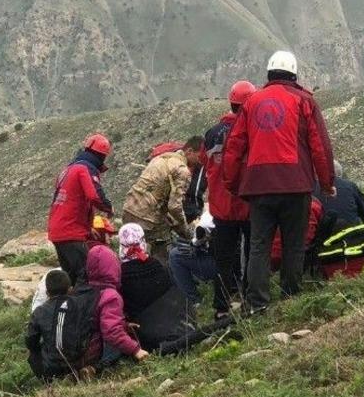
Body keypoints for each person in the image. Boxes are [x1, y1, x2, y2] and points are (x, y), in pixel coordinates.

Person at [223, 51, 335, 314]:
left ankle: (257, 303)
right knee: (293, 243)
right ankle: (290, 296)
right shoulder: (304, 100)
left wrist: (234, 183)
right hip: (296, 185)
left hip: (259, 187)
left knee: (259, 245)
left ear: (269, 74)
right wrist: (327, 181)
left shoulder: (251, 103)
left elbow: (234, 147)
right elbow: (319, 146)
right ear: (294, 74)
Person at [118, 224, 236, 355]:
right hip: (182, 325)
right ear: (143, 241)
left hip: (151, 337)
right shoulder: (157, 265)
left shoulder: (120, 276)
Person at [201, 80, 257, 316]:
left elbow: (205, 163)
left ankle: (221, 306)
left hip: (221, 207)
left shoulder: (212, 133)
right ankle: (249, 299)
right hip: (246, 204)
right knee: (252, 252)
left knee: (222, 258)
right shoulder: (251, 131)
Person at [121, 137, 202, 263]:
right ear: (189, 151)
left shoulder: (161, 158)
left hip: (129, 209)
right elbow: (174, 206)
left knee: (130, 253)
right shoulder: (182, 170)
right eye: (199, 157)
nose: (201, 161)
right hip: (148, 218)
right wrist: (186, 231)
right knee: (161, 251)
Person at [47, 134, 113, 284]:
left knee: (71, 277)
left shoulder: (68, 169)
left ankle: (67, 304)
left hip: (57, 230)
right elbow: (94, 196)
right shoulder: (85, 169)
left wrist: (88, 228)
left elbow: (73, 201)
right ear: (102, 156)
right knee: (87, 276)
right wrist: (109, 207)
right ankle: (85, 306)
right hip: (71, 232)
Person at [84, 245, 149, 369]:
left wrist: (125, 325)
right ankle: (100, 366)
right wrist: (136, 350)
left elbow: (96, 319)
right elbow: (111, 331)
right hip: (95, 350)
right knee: (116, 338)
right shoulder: (111, 295)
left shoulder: (84, 289)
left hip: (81, 347)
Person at [24, 269, 73, 381]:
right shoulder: (79, 305)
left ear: (47, 293)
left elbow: (31, 342)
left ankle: (47, 381)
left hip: (52, 367)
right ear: (70, 290)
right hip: (79, 360)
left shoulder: (39, 312)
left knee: (33, 353)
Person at [316, 160, 364, 231]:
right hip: (350, 235)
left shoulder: (311, 188)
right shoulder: (350, 185)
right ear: (340, 174)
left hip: (321, 237)